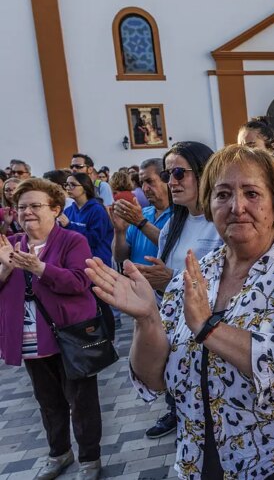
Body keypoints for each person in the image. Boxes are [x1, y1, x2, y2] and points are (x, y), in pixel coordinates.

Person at [85, 146, 274, 478]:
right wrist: (146, 318)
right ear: (210, 206)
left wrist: (208, 329)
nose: (237, 206)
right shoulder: (200, 272)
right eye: (223, 194)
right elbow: (153, 379)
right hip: (205, 456)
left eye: (252, 193)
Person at [0, 179, 103, 480]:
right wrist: (6, 267)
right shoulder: (11, 243)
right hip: (31, 340)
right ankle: (59, 453)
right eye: (21, 207)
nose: (27, 212)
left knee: (82, 403)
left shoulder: (72, 240)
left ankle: (89, 460)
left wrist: (39, 267)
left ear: (56, 209)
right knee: (48, 403)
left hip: (70, 337)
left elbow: (79, 282)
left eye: (35, 205)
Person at [135, 142, 222, 439]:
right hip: (178, 339)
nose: (170, 181)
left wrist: (170, 279)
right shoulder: (174, 223)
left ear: (204, 172)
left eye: (178, 173)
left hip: (215, 340)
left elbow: (236, 285)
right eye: (167, 173)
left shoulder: (221, 222)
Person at [112, 158, 172, 268]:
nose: (144, 188)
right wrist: (119, 232)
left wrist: (140, 222)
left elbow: (173, 247)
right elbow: (120, 257)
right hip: (137, 284)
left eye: (149, 181)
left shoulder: (181, 215)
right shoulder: (143, 213)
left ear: (166, 180)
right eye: (141, 183)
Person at [59, 173, 114, 266]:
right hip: (77, 261)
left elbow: (94, 239)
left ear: (85, 187)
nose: (68, 188)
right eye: (66, 185)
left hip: (98, 262)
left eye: (72, 185)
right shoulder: (68, 210)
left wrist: (69, 226)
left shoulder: (97, 210)